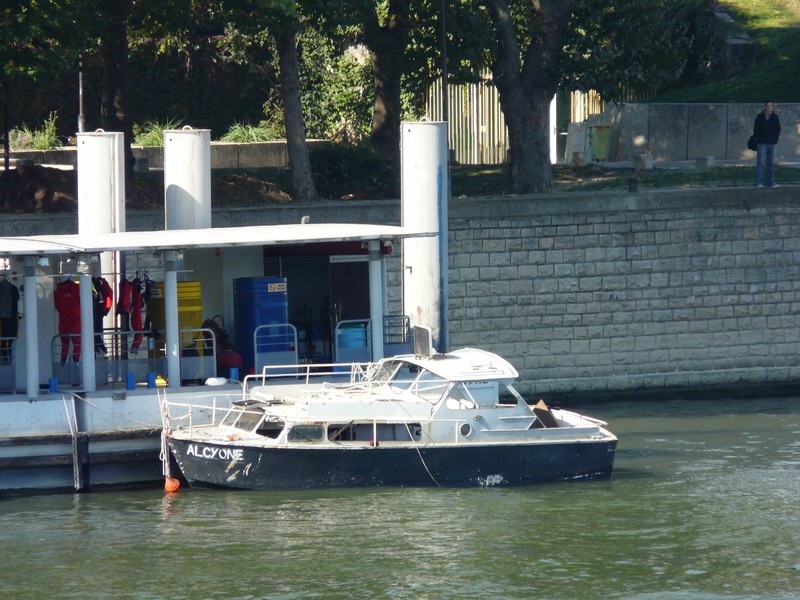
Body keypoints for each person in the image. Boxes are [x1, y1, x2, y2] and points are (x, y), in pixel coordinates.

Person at [753, 100, 781, 188]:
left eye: (771, 106)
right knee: (760, 163)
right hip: (762, 143)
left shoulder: (775, 117)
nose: (769, 107)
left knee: (771, 163)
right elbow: (756, 128)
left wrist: (775, 140)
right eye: (768, 106)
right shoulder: (760, 117)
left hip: (772, 143)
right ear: (765, 106)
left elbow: (778, 129)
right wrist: (759, 138)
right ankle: (758, 182)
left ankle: (771, 182)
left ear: (772, 106)